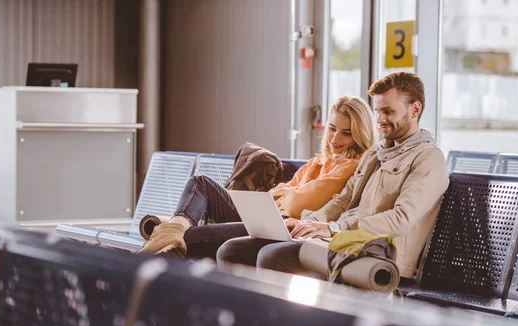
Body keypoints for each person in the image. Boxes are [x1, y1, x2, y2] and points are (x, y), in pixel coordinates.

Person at [217, 72, 450, 281]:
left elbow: (400, 219)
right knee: (232, 251)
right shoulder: (375, 154)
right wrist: (308, 224)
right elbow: (343, 200)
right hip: (339, 242)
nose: (379, 120)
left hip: (377, 255)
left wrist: (335, 228)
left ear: (415, 110)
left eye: (388, 112)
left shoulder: (428, 159)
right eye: (378, 111)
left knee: (272, 257)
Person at [139, 95, 376, 259]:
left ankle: (169, 238)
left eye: (347, 133)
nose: (335, 139)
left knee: (190, 238)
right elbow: (285, 192)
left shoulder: (351, 166)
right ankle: (170, 232)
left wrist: (284, 194)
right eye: (332, 128)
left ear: (360, 134)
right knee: (201, 183)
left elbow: (297, 203)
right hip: (263, 217)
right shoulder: (320, 161)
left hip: (281, 230)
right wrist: (285, 193)